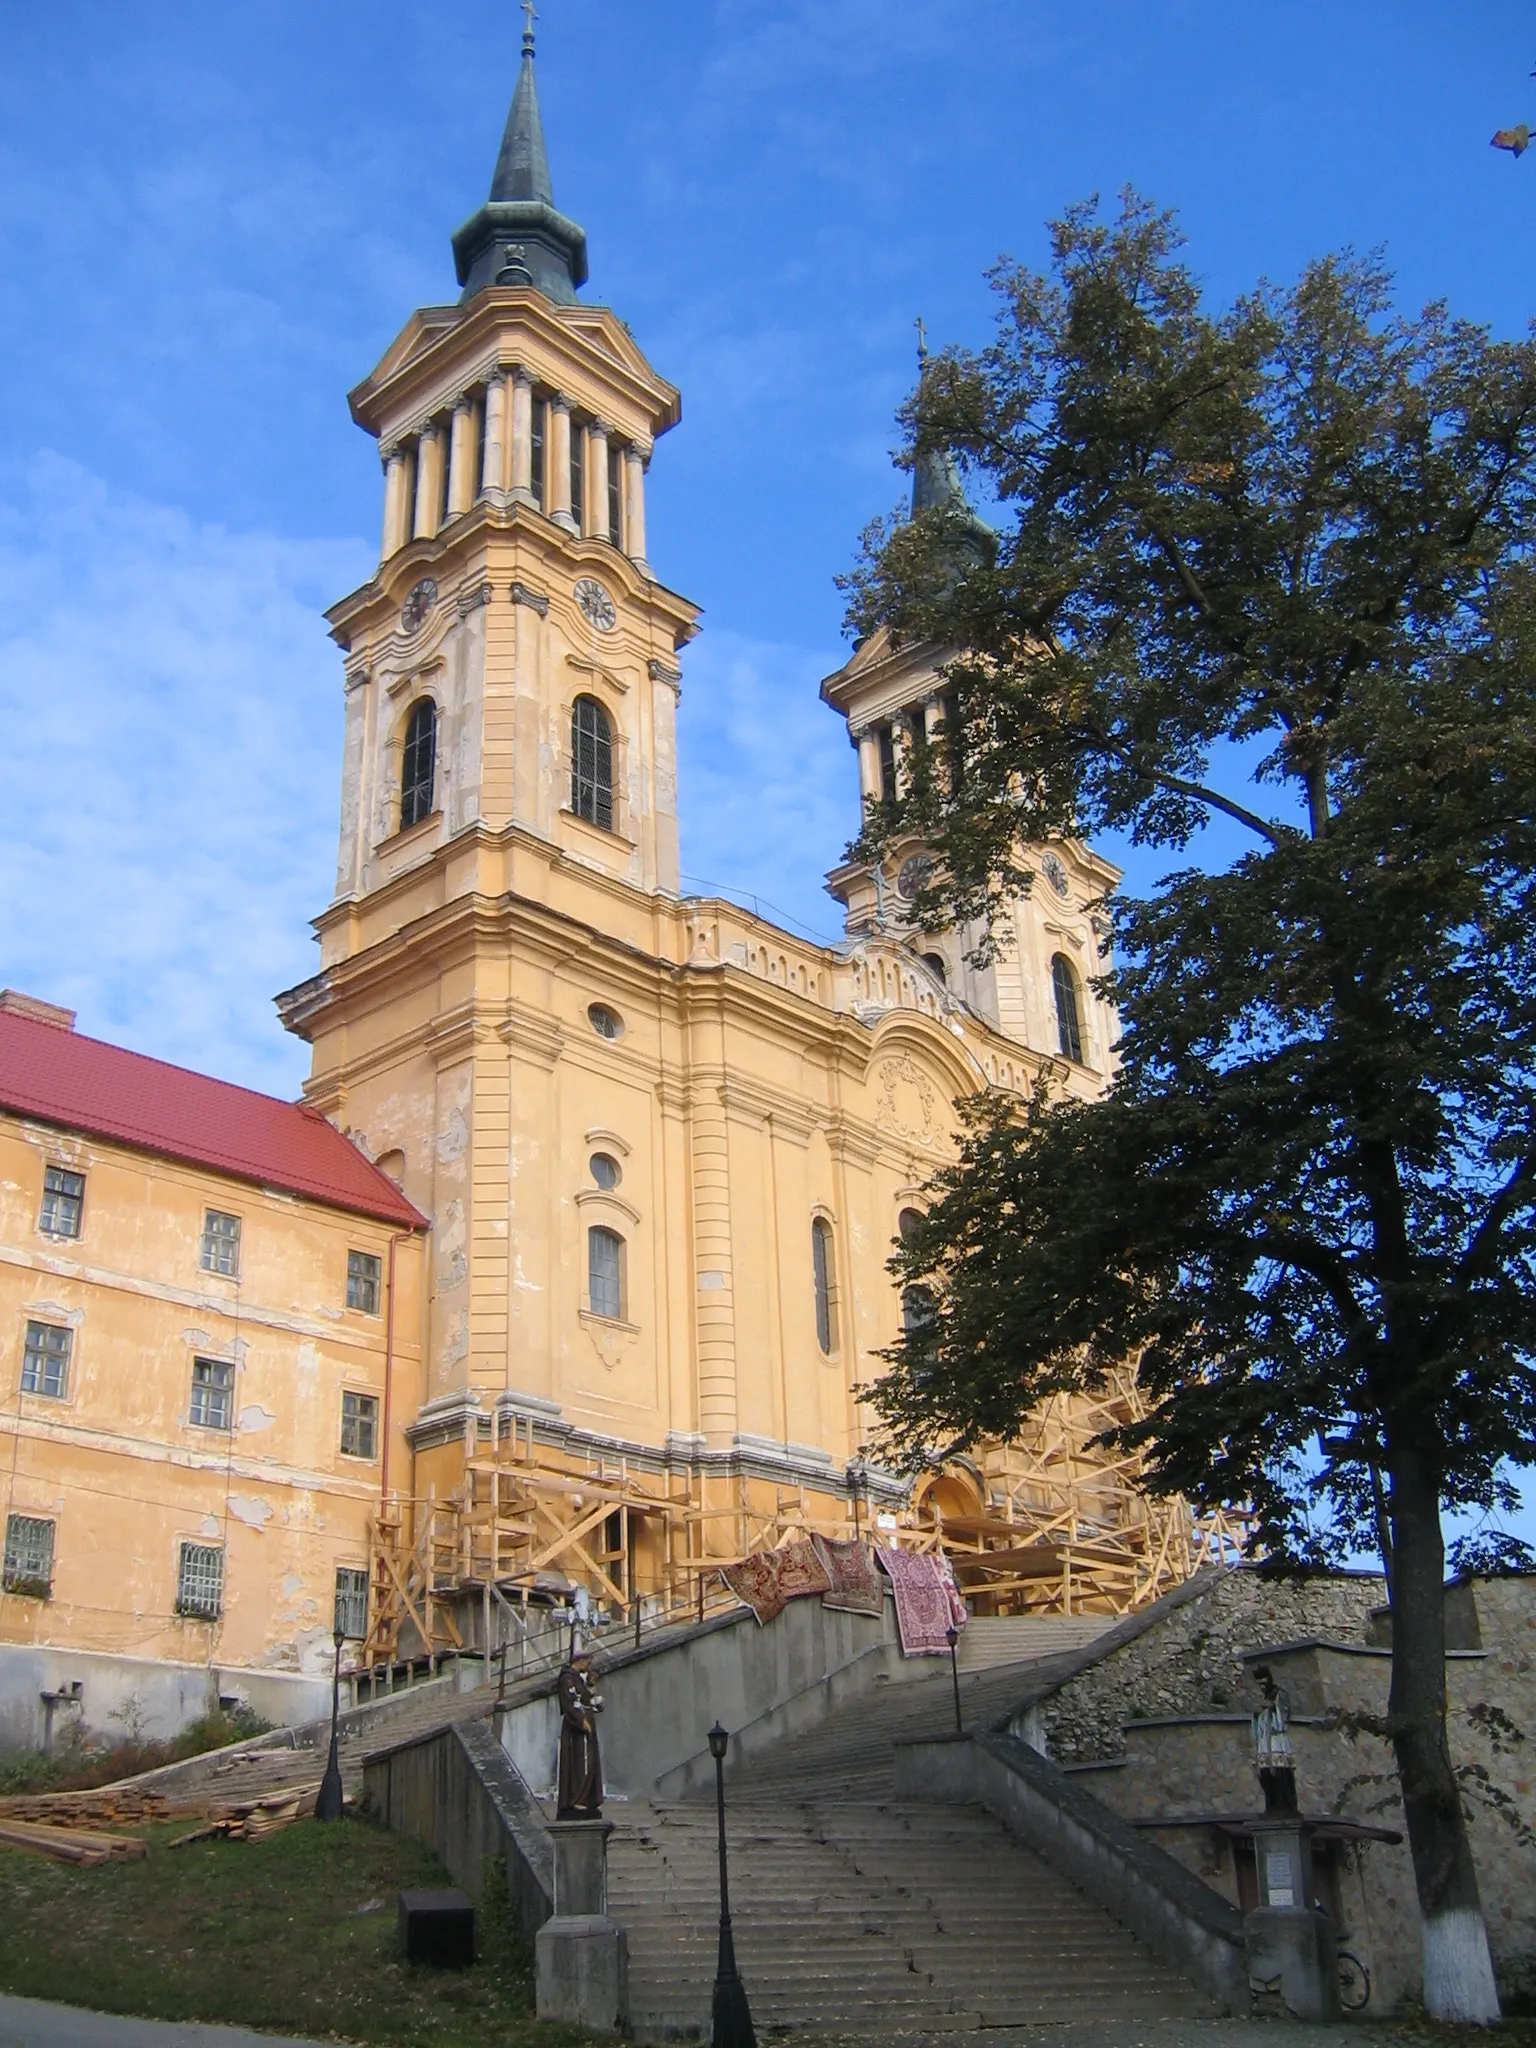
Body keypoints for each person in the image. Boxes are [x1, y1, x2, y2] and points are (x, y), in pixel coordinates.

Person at [556, 1648, 604, 1819]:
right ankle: (576, 1798)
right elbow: (570, 1703)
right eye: (587, 1662)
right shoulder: (568, 1680)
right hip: (577, 1731)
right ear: (579, 1661)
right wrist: (581, 1721)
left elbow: (585, 1698)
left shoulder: (577, 1680)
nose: (588, 1665)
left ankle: (586, 1798)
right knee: (579, 1764)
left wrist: (591, 1691)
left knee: (588, 1763)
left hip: (585, 1727)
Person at [1251, 1663, 1298, 1814]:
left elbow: (1285, 1715)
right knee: (1266, 1776)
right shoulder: (1261, 1696)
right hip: (1265, 1743)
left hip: (1277, 1740)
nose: (1262, 1687)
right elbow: (1257, 1720)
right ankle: (1271, 1806)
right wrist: (1257, 1713)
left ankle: (1285, 1806)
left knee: (1281, 1774)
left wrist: (1272, 1707)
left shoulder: (1279, 1694)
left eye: (1264, 1683)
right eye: (1260, 1684)